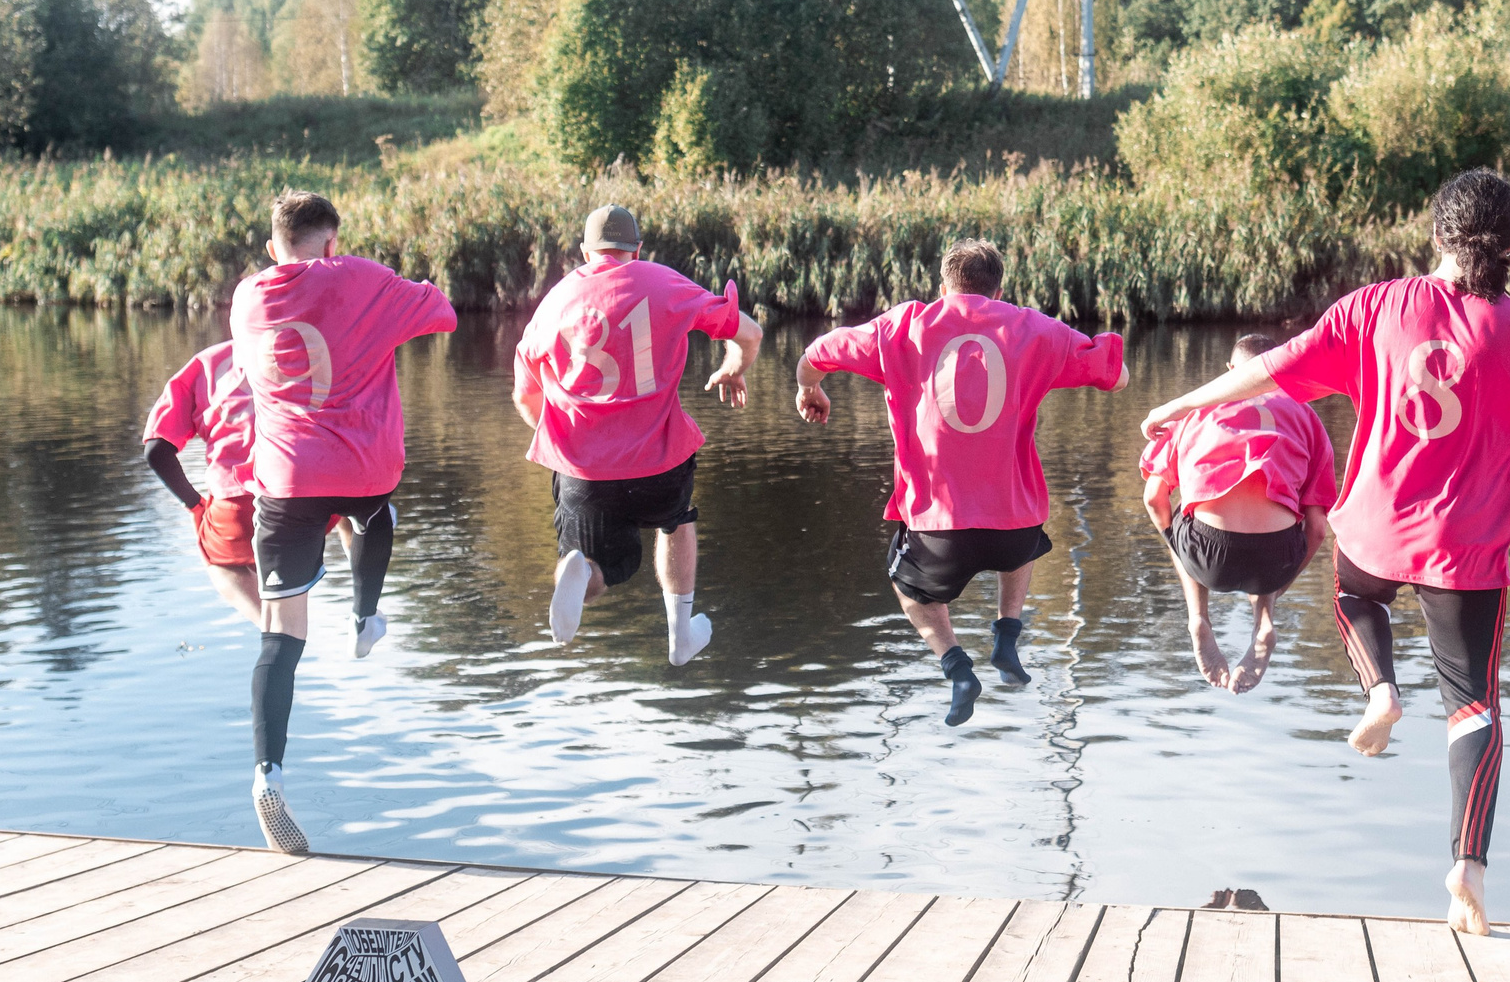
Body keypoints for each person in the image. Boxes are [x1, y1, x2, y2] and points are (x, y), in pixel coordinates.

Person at [1140, 171, 1510, 935]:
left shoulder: (1376, 306)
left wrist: (1179, 402)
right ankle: (1468, 864)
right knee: (1474, 707)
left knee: (1355, 596)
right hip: (1466, 555)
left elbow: (1271, 368)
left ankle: (1380, 686)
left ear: (1435, 237)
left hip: (1374, 536)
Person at [797, 239, 1128, 726]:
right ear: (998, 290)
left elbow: (817, 353)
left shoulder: (903, 326)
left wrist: (809, 387)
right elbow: (1116, 378)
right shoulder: (1032, 327)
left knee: (905, 583)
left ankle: (956, 667)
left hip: (938, 529)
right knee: (1026, 530)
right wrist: (1047, 365)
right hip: (1013, 534)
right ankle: (1007, 634)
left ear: (943, 286)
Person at [230, 189, 458, 853]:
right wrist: (379, 286)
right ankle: (365, 617)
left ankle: (267, 772)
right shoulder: (359, 277)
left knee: (280, 637)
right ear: (333, 243)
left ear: (274, 248)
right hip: (361, 470)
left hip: (285, 481)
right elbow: (441, 313)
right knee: (376, 512)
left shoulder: (248, 297)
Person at [513, 204, 761, 666]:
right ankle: (679, 634)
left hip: (583, 471)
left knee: (604, 571)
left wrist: (569, 447)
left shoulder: (554, 302)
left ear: (585, 252)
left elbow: (525, 400)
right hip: (660, 464)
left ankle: (579, 567)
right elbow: (749, 333)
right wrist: (732, 366)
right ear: (637, 249)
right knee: (676, 520)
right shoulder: (663, 282)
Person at [141, 342, 356, 858]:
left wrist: (195, 504)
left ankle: (267, 624)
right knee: (359, 504)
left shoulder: (207, 363)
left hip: (232, 510)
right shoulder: (315, 349)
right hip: (301, 499)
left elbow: (155, 448)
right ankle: (363, 604)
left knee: (220, 565)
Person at [1140, 333, 1337, 694]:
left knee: (1186, 509)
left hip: (1207, 557)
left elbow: (1154, 498)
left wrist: (1175, 545)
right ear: (1281, 368)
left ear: (1230, 372)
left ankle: (1198, 617)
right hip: (1274, 560)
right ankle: (1265, 620)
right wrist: (1278, 585)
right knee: (1285, 509)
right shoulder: (1307, 417)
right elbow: (1319, 528)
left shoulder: (1194, 411)